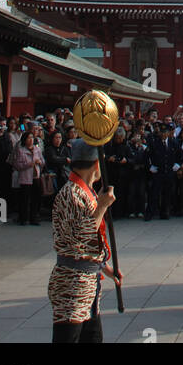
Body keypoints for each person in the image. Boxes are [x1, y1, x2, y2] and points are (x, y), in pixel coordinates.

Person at [48, 138, 122, 343]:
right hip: (72, 283)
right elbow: (80, 236)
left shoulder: (85, 192)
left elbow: (90, 240)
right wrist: (102, 207)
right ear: (97, 164)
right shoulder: (71, 193)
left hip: (87, 282)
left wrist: (104, 267)